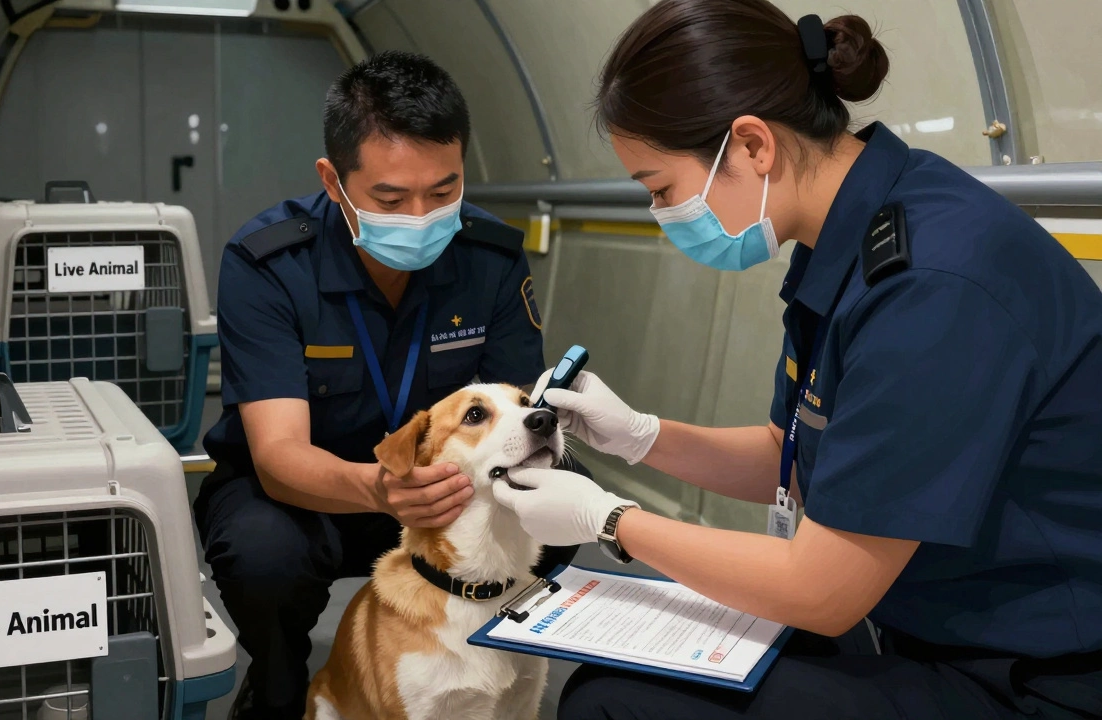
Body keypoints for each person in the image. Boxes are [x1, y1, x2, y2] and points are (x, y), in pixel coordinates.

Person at [491, 1, 1102, 718]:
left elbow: (823, 592)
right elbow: (800, 456)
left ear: (752, 145)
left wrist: (609, 520)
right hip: (930, 623)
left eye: (662, 189)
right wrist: (641, 436)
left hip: (1035, 678)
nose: (663, 215)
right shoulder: (854, 232)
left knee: (613, 701)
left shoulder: (931, 286)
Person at [194, 50, 583, 720]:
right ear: (333, 180)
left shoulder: (489, 255)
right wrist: (381, 489)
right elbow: (280, 453)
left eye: (443, 191)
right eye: (390, 198)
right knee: (263, 557)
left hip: (447, 484)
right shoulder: (266, 264)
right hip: (310, 494)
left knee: (561, 514)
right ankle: (279, 685)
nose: (422, 216)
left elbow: (517, 411)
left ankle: (493, 669)